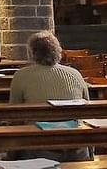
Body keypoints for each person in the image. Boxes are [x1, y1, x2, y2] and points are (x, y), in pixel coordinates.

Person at [8, 31, 91, 161]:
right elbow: (87, 111)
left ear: (32, 53)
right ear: (58, 51)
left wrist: (11, 154)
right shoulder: (75, 74)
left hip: (39, 147)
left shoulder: (21, 76)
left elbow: (14, 116)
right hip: (76, 147)